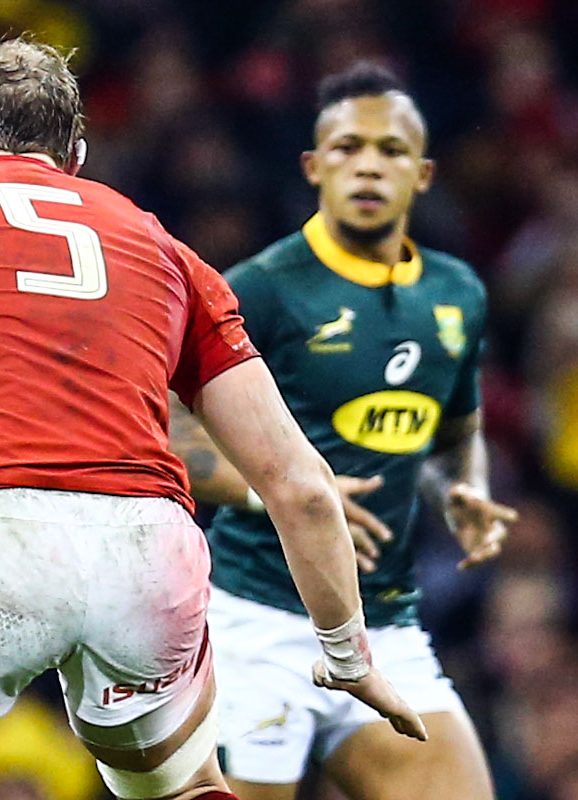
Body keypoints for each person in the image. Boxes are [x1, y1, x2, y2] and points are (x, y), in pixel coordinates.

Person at [0, 39, 425, 800]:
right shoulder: (164, 246)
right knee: (186, 787)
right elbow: (301, 482)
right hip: (148, 553)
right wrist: (347, 651)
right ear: (77, 155)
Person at [168, 62, 516, 800]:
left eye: (390, 151)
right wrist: (283, 498)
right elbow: (166, 426)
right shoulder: (260, 288)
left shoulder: (456, 293)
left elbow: (454, 421)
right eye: (347, 147)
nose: (367, 164)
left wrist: (463, 489)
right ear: (313, 167)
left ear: (422, 174)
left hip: (384, 626)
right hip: (253, 623)